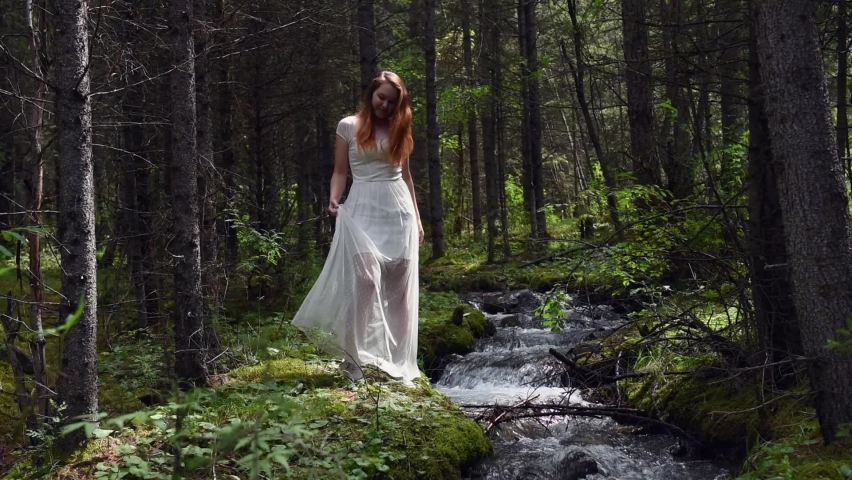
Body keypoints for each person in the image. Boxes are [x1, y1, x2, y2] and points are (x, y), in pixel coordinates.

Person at [293, 71, 423, 385]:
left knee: (400, 292)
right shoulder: (348, 126)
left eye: (393, 102)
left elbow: (405, 177)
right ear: (370, 94)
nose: (386, 106)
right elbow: (340, 171)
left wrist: (417, 218)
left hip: (398, 212)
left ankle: (400, 364)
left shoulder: (399, 128)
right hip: (363, 207)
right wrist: (334, 199)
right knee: (367, 280)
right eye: (381, 98)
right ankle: (352, 360)